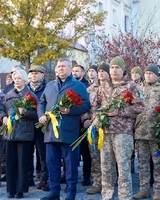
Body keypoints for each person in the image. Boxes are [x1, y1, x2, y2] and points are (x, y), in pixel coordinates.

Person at [38, 58, 91, 200]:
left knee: (71, 164)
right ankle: (54, 191)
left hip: (68, 131)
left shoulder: (78, 85)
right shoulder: (49, 85)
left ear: (69, 68)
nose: (60, 69)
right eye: (58, 66)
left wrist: (70, 110)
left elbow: (86, 105)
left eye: (63, 66)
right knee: (52, 163)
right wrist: (41, 115)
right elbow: (41, 103)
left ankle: (70, 192)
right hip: (50, 131)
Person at [93, 57, 144, 200]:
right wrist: (96, 117)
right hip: (105, 132)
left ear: (123, 70)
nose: (114, 70)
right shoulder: (103, 87)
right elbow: (95, 106)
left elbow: (140, 106)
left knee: (123, 168)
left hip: (123, 133)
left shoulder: (131, 86)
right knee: (106, 168)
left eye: (117, 67)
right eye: (112, 67)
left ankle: (124, 197)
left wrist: (119, 112)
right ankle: (107, 196)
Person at [133, 64, 160, 200]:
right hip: (140, 132)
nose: (148, 75)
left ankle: (158, 190)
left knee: (158, 163)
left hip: (157, 133)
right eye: (146, 73)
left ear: (156, 74)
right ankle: (144, 189)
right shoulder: (138, 89)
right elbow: (133, 108)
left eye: (151, 73)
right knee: (142, 163)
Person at [0, 69, 38, 199]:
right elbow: (1, 109)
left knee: (22, 163)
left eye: (19, 78)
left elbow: (36, 114)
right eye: (15, 78)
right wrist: (3, 117)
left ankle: (20, 190)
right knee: (11, 162)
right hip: (10, 133)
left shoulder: (30, 95)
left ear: (25, 80)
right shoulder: (7, 95)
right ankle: (11, 189)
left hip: (25, 133)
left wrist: (25, 112)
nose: (16, 80)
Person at [82, 62, 111, 194]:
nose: (100, 73)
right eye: (98, 71)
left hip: (109, 128)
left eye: (103, 71)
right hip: (93, 128)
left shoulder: (113, 88)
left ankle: (108, 184)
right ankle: (97, 183)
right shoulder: (89, 89)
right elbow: (84, 107)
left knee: (108, 158)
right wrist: (86, 119)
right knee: (95, 156)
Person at [27, 65, 49, 190]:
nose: (33, 75)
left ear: (42, 75)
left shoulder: (46, 88)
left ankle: (44, 177)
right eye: (32, 73)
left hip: (41, 125)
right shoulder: (26, 88)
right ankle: (29, 177)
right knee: (28, 152)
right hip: (28, 125)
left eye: (36, 73)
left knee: (43, 153)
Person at [72, 64, 91, 186]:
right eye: (73, 71)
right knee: (71, 151)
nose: (74, 73)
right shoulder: (70, 85)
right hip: (72, 122)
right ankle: (70, 175)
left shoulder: (87, 86)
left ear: (83, 73)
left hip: (84, 122)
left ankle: (86, 175)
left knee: (86, 151)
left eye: (77, 71)